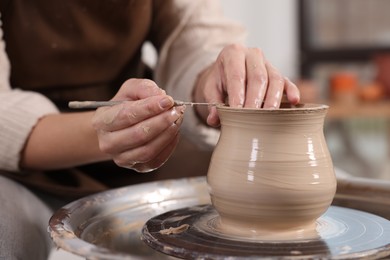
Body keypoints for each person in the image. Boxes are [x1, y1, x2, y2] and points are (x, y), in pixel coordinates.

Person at [0, 0, 300, 259]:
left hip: (145, 142)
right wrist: (102, 132)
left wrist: (215, 77)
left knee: (290, 193)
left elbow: (194, 35)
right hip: (25, 163)